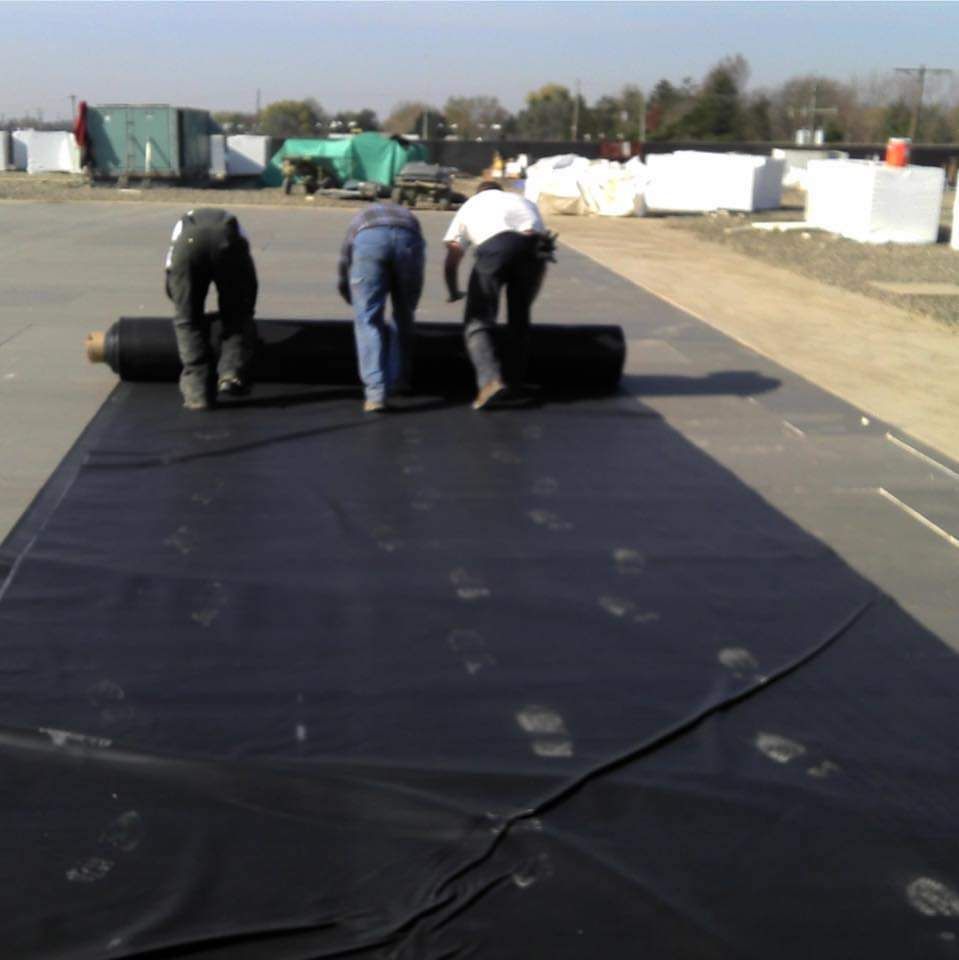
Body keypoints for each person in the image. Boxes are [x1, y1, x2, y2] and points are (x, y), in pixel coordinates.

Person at [443, 181, 555, 410]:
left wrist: (453, 291)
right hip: (532, 249)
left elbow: (453, 255)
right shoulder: (523, 202)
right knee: (519, 322)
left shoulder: (472, 204)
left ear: (479, 193)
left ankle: (490, 381)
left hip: (496, 247)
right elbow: (542, 255)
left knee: (477, 322)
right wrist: (527, 297)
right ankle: (515, 385)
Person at [164, 208, 258, 410]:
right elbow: (249, 284)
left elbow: (171, 279)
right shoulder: (235, 226)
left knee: (187, 321)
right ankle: (231, 373)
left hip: (188, 246)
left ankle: (198, 393)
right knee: (238, 316)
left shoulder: (181, 227)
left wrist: (186, 305)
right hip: (228, 241)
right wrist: (244, 308)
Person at [338, 202, 425, 413]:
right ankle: (398, 380)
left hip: (370, 242)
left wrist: (346, 288)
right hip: (408, 240)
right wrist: (412, 298)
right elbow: (420, 259)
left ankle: (376, 394)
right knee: (403, 316)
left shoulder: (362, 217)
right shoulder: (409, 217)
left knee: (367, 320)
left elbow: (345, 256)